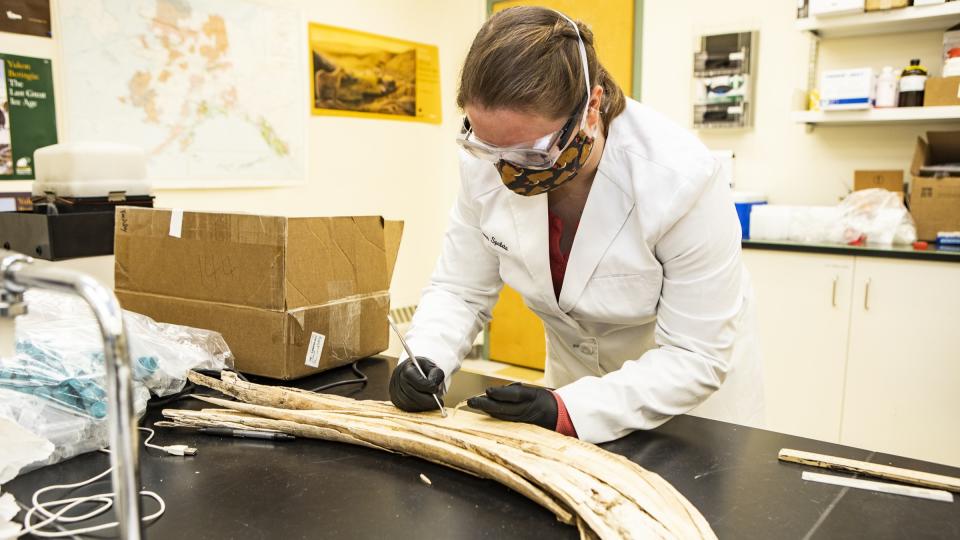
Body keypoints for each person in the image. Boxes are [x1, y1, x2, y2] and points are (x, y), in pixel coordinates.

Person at [389, 6, 763, 444]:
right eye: (489, 148)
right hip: (572, 394)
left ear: (591, 109)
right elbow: (460, 289)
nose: (506, 169)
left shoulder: (682, 178)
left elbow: (695, 354)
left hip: (686, 411)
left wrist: (568, 409)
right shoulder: (487, 159)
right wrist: (426, 355)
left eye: (531, 153)